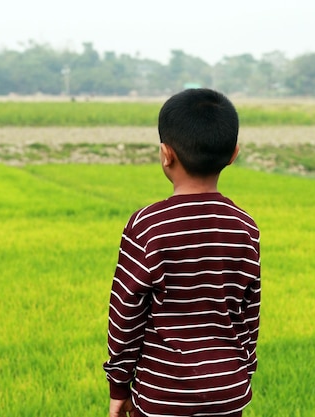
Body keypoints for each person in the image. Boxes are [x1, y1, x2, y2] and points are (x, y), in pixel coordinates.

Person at [103, 88, 261, 417]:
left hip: (163, 394)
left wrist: (119, 386)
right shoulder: (245, 227)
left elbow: (126, 314)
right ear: (234, 153)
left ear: (166, 154)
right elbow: (248, 315)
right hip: (228, 391)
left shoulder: (147, 226)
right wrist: (240, 372)